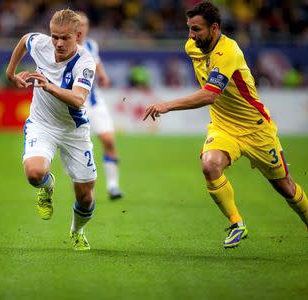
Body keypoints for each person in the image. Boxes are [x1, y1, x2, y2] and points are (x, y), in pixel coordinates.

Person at [143, 1, 308, 249]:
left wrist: (168, 105)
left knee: (284, 186)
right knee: (209, 166)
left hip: (256, 128)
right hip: (223, 126)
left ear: (215, 28)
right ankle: (236, 223)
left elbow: (210, 94)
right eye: (189, 28)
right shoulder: (192, 46)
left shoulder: (229, 52)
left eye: (197, 29)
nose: (191, 35)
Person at [5, 9, 97, 251]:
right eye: (54, 36)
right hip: (41, 124)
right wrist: (11, 72)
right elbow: (25, 39)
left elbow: (78, 99)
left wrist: (49, 86)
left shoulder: (85, 62)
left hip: (73, 131)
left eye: (64, 38)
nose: (57, 43)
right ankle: (47, 187)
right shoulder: (43, 44)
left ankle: (77, 231)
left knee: (86, 197)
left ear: (78, 36)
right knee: (34, 173)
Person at [76, 11, 124, 200]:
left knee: (108, 141)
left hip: (94, 102)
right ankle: (84, 191)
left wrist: (102, 75)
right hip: (75, 105)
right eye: (79, 25)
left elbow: (96, 62)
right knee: (79, 149)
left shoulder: (91, 44)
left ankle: (113, 186)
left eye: (85, 25)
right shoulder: (64, 47)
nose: (83, 29)